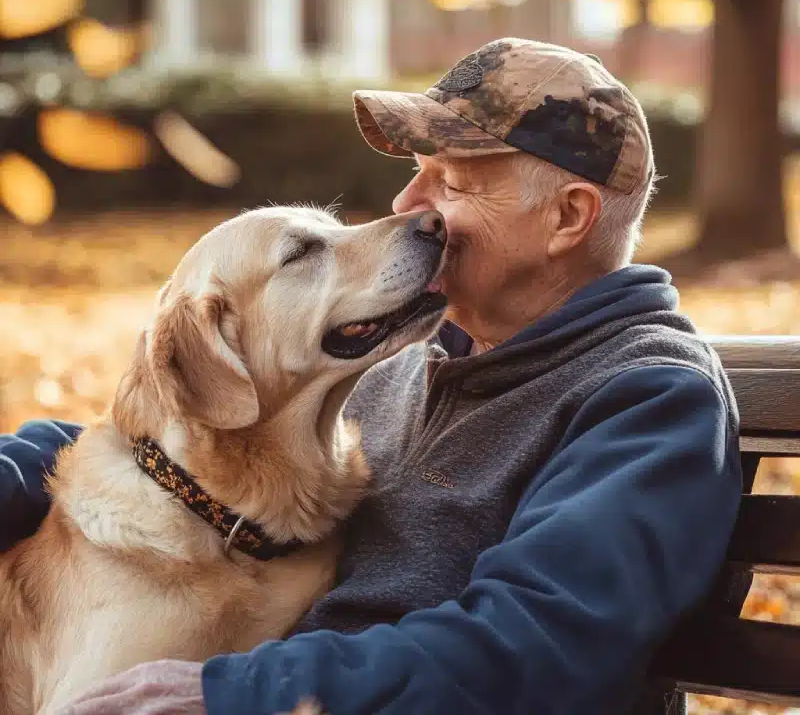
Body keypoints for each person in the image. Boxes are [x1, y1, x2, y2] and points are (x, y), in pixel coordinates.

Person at [0, 38, 742, 715]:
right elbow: (198, 449)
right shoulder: (413, 359)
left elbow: (539, 646)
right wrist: (34, 466)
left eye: (450, 181)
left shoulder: (648, 401)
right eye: (417, 175)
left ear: (567, 218)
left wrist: (239, 692)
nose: (407, 208)